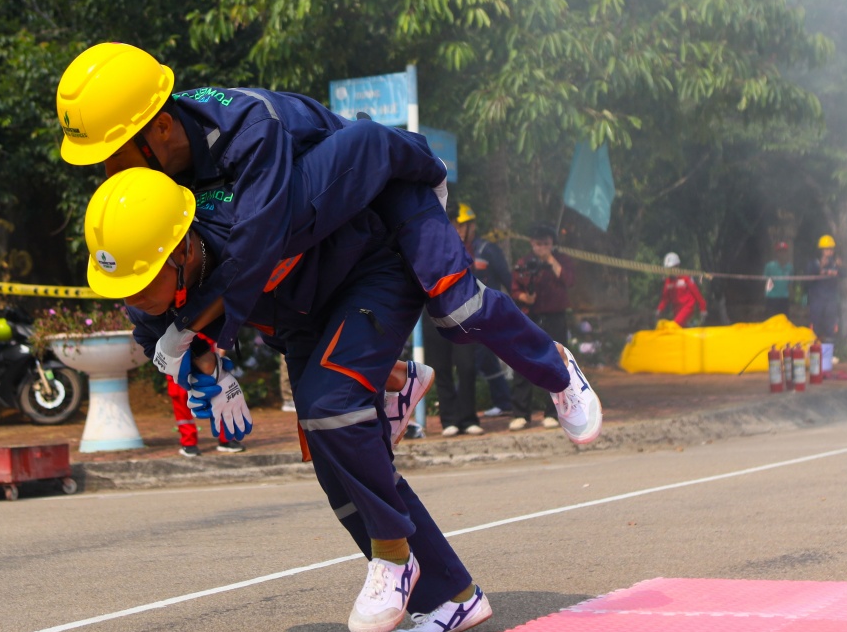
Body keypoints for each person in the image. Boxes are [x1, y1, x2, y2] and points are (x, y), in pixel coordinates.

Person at [55, 43, 600, 446]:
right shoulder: (164, 180)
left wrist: (198, 336)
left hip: (387, 191)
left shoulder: (249, 128)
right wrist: (191, 358)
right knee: (307, 364)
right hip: (333, 237)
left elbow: (256, 245)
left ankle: (556, 368)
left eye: (113, 152)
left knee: (459, 310)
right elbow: (154, 271)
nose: (106, 171)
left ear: (163, 129)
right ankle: (397, 384)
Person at [86, 168, 492, 632]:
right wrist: (210, 372)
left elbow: (352, 169)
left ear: (179, 251)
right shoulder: (155, 273)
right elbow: (156, 331)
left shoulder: (247, 222)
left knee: (334, 412)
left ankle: (400, 546)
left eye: (140, 284)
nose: (131, 299)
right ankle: (451, 596)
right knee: (337, 469)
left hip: (361, 277)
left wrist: (419, 165)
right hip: (303, 322)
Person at [509, 224, 576, 431]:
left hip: (555, 316)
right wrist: (524, 297)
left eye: (546, 244)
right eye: (538, 244)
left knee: (555, 363)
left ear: (552, 244)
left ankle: (553, 412)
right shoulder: (525, 263)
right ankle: (521, 414)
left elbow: (569, 280)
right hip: (530, 316)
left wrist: (550, 260)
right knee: (523, 362)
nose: (542, 248)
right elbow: (514, 288)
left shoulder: (561, 260)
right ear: (532, 243)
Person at [457, 203, 515, 417]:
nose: (460, 231)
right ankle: (504, 402)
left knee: (473, 359)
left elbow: (507, 278)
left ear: (473, 226)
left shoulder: (486, 249)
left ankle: (456, 404)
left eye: (464, 226)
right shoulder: (457, 250)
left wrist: (520, 304)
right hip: (465, 315)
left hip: (488, 315)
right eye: (457, 226)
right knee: (488, 361)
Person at [655, 253, 707, 327]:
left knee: (674, 325)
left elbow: (696, 293)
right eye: (668, 269)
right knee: (680, 327)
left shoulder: (685, 277)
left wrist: (703, 309)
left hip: (688, 306)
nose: (670, 271)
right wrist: (659, 310)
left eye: (672, 268)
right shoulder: (668, 281)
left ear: (677, 266)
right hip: (677, 309)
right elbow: (665, 298)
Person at [808, 235, 842, 342]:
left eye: (831, 249)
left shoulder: (835, 263)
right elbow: (809, 274)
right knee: (816, 326)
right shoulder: (814, 263)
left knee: (830, 326)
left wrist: (839, 268)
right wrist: (821, 267)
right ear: (821, 251)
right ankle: (815, 351)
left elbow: (845, 273)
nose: (830, 252)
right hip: (817, 300)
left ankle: (829, 352)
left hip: (831, 300)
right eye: (827, 249)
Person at [761, 242, 791, 320]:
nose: (782, 254)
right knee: (772, 321)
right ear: (777, 254)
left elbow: (790, 283)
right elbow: (765, 281)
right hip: (772, 298)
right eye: (780, 252)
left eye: (784, 252)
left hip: (784, 298)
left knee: (784, 322)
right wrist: (768, 294)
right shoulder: (770, 266)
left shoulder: (790, 267)